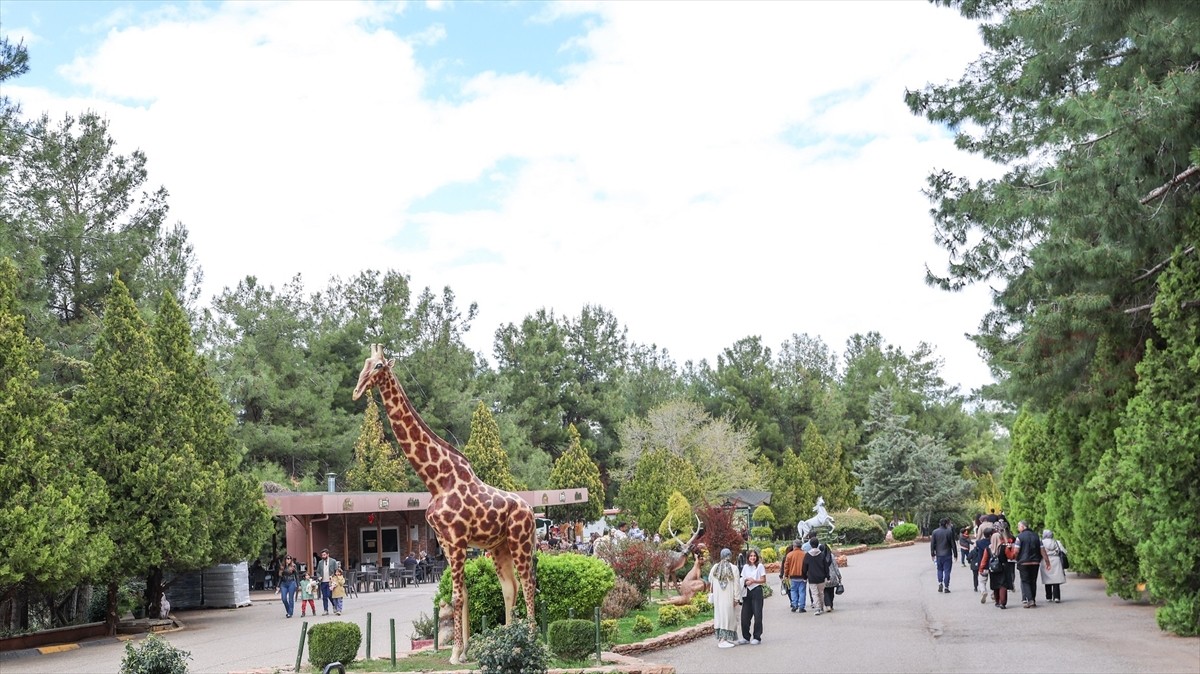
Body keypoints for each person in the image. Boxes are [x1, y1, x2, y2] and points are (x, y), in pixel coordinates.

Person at [708, 548, 740, 648]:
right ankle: (723, 640)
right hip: (728, 598)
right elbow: (736, 585)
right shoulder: (733, 568)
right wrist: (736, 598)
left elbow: (710, 580)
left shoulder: (715, 567)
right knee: (728, 617)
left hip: (718, 598)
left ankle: (722, 639)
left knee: (720, 616)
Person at [1014, 520, 1050, 608]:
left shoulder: (1019, 537)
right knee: (1033, 581)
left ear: (1022, 527)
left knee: (1025, 581)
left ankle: (1030, 600)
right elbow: (1042, 550)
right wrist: (1047, 561)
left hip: (1023, 562)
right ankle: (1032, 599)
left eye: (1019, 527)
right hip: (1035, 562)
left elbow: (1016, 550)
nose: (1018, 529)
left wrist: (1016, 558)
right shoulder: (1036, 536)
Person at [980, 523, 1014, 608]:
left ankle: (997, 601)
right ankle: (1003, 602)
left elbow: (984, 559)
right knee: (1003, 585)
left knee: (995, 585)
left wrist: (981, 568)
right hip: (1003, 567)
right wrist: (1011, 549)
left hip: (993, 568)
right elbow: (1011, 556)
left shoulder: (988, 548)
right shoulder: (1004, 547)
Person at [738, 548, 766, 644]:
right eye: (751, 556)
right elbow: (742, 579)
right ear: (748, 557)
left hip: (757, 591)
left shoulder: (760, 566)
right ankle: (746, 637)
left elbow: (763, 580)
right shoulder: (745, 567)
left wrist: (753, 581)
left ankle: (757, 637)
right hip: (747, 592)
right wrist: (746, 581)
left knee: (757, 615)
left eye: (754, 556)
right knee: (745, 616)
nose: (752, 558)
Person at [801, 535, 833, 615]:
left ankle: (817, 608)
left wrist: (804, 577)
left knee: (814, 593)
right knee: (821, 593)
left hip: (812, 577)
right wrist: (827, 576)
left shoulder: (807, 555)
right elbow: (826, 567)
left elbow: (804, 567)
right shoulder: (821, 555)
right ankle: (821, 606)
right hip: (821, 577)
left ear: (810, 544)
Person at [930, 518, 958, 593]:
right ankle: (946, 587)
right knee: (947, 571)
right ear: (946, 524)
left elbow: (932, 544)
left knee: (939, 569)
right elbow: (953, 544)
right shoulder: (949, 532)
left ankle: (940, 583)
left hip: (939, 554)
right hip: (947, 554)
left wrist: (932, 554)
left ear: (939, 524)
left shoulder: (935, 532)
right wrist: (955, 554)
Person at [1040, 529, 1068, 603]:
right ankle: (1057, 597)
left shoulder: (1041, 542)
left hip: (1045, 561)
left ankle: (1048, 597)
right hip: (1056, 560)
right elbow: (1064, 551)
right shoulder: (1056, 542)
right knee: (1056, 579)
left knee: (1047, 579)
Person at [782, 539, 807, 613]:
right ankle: (801, 607)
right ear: (801, 546)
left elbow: (786, 566)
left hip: (792, 576)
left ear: (794, 546)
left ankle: (794, 605)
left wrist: (786, 575)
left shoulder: (789, 555)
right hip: (802, 576)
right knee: (802, 591)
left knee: (793, 591)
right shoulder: (804, 554)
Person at [314, 549, 339, 616]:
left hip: (330, 581)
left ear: (328, 554)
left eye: (324, 555)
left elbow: (336, 570)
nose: (323, 556)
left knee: (329, 595)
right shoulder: (320, 562)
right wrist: (319, 577)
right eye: (322, 555)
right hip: (323, 581)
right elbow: (318, 572)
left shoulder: (333, 561)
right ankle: (325, 610)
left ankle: (334, 606)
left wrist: (333, 576)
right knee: (324, 596)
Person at [969, 526, 992, 595]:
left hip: (982, 563)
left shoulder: (979, 542)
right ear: (991, 535)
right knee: (993, 579)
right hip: (992, 563)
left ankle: (983, 591)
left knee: (982, 580)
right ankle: (994, 593)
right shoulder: (992, 542)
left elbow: (975, 548)